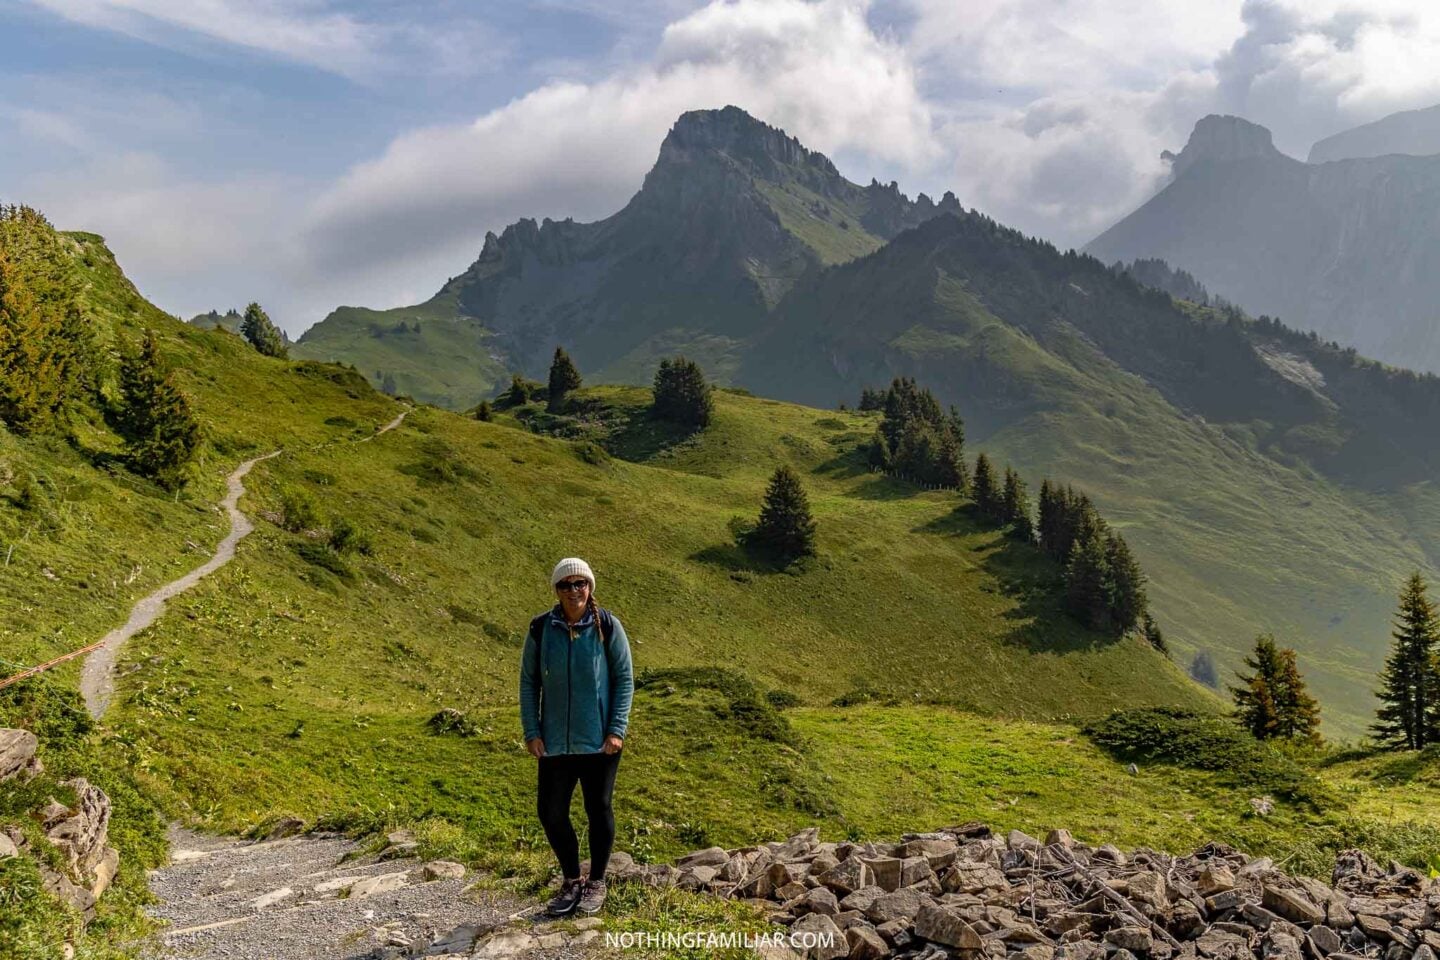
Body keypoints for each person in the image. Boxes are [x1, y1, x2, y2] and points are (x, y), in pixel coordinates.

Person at [519, 557, 634, 916]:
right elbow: (528, 682)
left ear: (590, 587)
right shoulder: (541, 627)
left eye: (580, 583)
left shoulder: (607, 626)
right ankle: (572, 881)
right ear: (556, 590)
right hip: (554, 742)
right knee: (550, 812)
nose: (573, 591)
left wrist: (616, 729)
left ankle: (596, 882)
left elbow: (624, 679)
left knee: (598, 809)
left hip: (600, 742)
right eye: (565, 585)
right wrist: (532, 731)